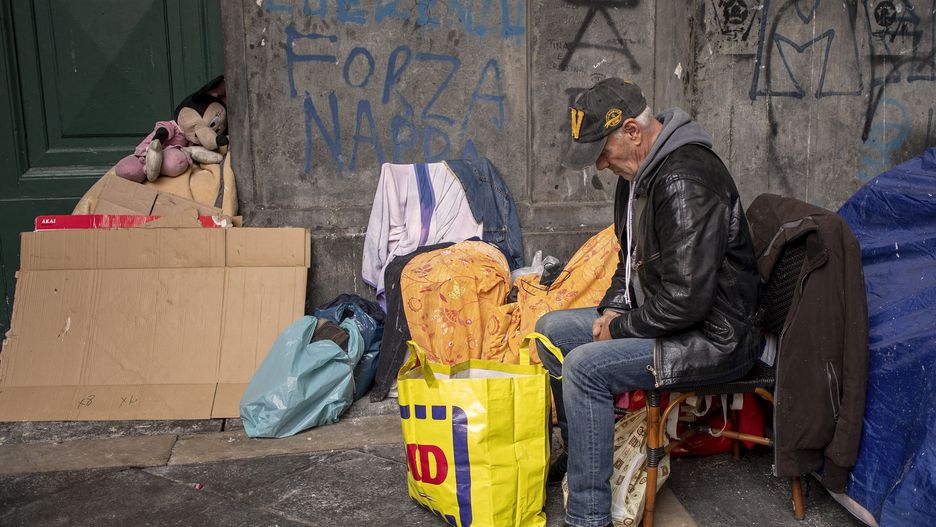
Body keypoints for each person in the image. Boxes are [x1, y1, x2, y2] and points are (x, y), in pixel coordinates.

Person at [536, 78, 761, 527]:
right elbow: (629, 259)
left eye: (603, 151)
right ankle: (585, 461)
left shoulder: (684, 180)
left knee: (584, 367)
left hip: (711, 337)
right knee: (551, 331)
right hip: (667, 316)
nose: (600, 164)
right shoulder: (636, 175)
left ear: (633, 132)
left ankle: (588, 516)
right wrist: (612, 309)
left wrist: (618, 329)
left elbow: (688, 301)